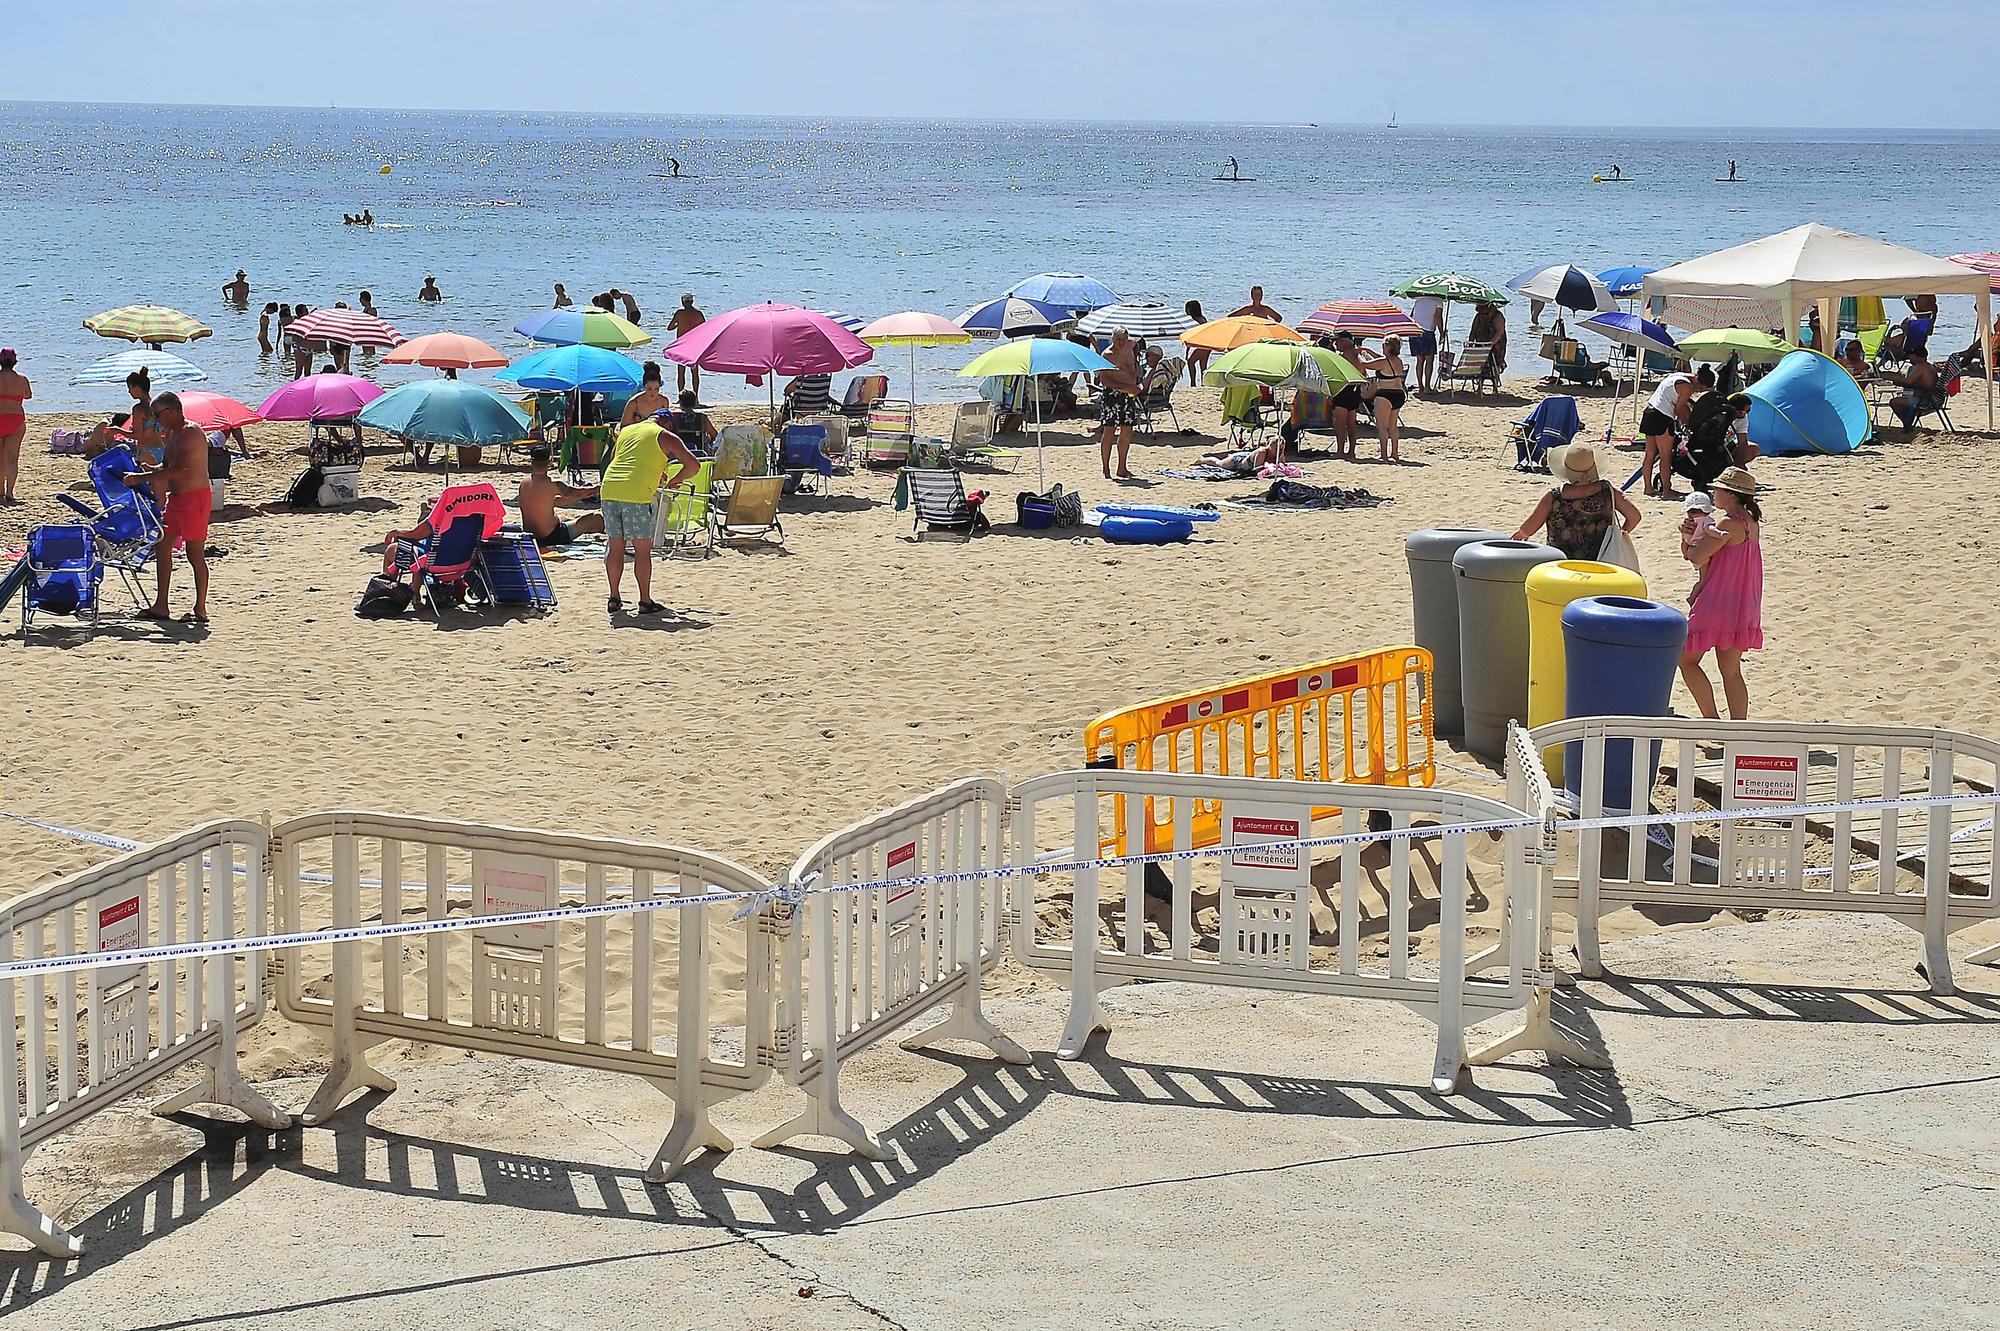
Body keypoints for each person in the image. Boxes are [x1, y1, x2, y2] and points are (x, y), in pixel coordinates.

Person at [1679, 467, 1763, 719]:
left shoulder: (1728, 523)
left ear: (1731, 494)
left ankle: (1711, 719)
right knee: (1731, 670)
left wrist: (1686, 537)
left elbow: (1695, 556)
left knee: (1686, 661)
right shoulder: (1751, 521)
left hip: (1717, 600)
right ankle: (1738, 728)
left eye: (1717, 489)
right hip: (1743, 602)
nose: (1713, 492)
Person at [122, 392, 213, 624]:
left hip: (194, 499)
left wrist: (141, 478)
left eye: (158, 415)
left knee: (195, 554)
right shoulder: (171, 433)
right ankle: (161, 605)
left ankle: (200, 608)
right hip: (177, 498)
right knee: (162, 546)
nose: (156, 419)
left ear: (171, 411)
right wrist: (153, 470)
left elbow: (183, 470)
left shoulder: (190, 433)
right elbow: (170, 464)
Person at [599, 411, 698, 616]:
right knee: (642, 551)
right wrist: (675, 480)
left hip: (609, 488)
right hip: (635, 494)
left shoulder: (626, 431)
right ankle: (644, 600)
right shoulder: (664, 435)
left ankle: (614, 597)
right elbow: (693, 465)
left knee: (615, 545)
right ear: (667, 423)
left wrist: (652, 469)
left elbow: (617, 458)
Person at [1511, 442, 1641, 560]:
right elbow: (1634, 517)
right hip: (1601, 560)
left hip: (1561, 562)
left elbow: (1529, 529)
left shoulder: (1554, 497)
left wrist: (1521, 533)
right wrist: (1618, 537)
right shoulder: (1608, 491)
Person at [518, 445, 604, 548]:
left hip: (532, 536)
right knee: (596, 518)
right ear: (550, 461)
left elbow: (551, 502)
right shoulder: (553, 484)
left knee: (563, 518)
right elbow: (577, 492)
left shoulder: (524, 483)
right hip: (552, 537)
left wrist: (580, 496)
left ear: (532, 462)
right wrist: (595, 489)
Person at [1679, 390, 1756, 488]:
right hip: (1708, 443)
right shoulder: (1719, 417)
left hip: (1724, 445)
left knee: (1753, 449)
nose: (1744, 415)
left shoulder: (1742, 419)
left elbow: (1743, 441)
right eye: (1742, 412)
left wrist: (1740, 463)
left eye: (1748, 412)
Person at [1638, 370, 1696, 498]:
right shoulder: (1687, 387)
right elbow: (1679, 409)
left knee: (1650, 454)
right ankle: (1667, 491)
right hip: (1662, 417)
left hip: (1649, 412)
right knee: (1666, 456)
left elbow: (1680, 403)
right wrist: (1688, 425)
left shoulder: (1676, 376)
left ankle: (1648, 488)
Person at [1094, 327, 1140, 479]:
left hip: (1129, 394)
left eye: (1123, 339)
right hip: (1113, 395)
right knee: (1109, 430)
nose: (1121, 342)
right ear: (1113, 339)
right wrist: (1126, 386)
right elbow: (1104, 380)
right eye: (1118, 339)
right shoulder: (1108, 355)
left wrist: (1135, 379)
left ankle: (1122, 468)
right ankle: (1106, 469)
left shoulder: (1132, 346)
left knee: (1127, 430)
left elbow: (1137, 350)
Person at [1358, 335, 1407, 461]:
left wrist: (1358, 354)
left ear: (1388, 346)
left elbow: (1365, 364)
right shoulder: (1398, 361)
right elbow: (1379, 359)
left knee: (1382, 426)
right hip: (1399, 394)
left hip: (1385, 394)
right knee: (1393, 426)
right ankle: (1395, 453)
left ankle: (1384, 455)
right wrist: (1367, 351)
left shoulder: (1384, 362)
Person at [1886, 348, 1946, 433]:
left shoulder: (1921, 367)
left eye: (1911, 356)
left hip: (1927, 400)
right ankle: (1908, 423)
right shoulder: (1928, 366)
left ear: (1917, 357)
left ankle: (1907, 424)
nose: (1909, 358)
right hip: (1932, 397)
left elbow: (1908, 382)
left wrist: (1897, 380)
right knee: (1904, 396)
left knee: (1894, 402)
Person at [1326, 330, 1366, 459]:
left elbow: (1336, 376)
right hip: (1355, 390)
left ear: (1343, 342)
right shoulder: (1358, 354)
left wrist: (1331, 393)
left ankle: (1340, 451)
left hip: (1344, 390)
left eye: (1336, 341)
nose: (1335, 344)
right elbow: (1363, 372)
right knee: (1351, 423)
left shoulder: (1343, 356)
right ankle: (1351, 451)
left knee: (1340, 423)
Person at [0, 349, 29, 503]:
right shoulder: (22, 379)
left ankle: (0, 490)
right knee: (12, 457)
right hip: (16, 418)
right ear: (15, 361)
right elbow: (28, 395)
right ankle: (10, 492)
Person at [1680, 491, 1715, 602]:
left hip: (1693, 552)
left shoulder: (1690, 523)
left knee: (1703, 579)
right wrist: (1720, 534)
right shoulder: (1706, 520)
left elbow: (1685, 541)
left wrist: (1685, 553)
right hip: (1703, 555)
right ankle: (1692, 598)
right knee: (1703, 580)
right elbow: (1710, 530)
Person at [668, 294, 706, 395]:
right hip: (694, 344)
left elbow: (669, 327)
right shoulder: (698, 313)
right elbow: (705, 328)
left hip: (682, 344)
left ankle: (681, 396)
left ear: (682, 302)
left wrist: (678, 324)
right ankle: (696, 397)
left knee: (681, 371)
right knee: (694, 371)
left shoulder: (680, 313)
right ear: (692, 302)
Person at [1409, 294, 1443, 394]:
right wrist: (1441, 332)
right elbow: (1438, 317)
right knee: (1429, 359)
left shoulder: (1419, 300)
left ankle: (1420, 386)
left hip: (1414, 331)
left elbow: (1411, 316)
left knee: (1420, 360)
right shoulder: (1438, 302)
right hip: (1427, 332)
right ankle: (1427, 386)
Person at [663, 390, 716, 454]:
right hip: (699, 453)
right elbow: (715, 435)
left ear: (680, 403)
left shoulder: (674, 417)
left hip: (677, 453)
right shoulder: (702, 418)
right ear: (694, 403)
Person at [620, 361, 673, 427]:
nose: (653, 393)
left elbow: (666, 425)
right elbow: (623, 427)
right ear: (644, 386)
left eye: (656, 389)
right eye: (649, 389)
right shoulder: (634, 402)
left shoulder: (663, 401)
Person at [1470, 301, 1507, 374]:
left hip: (1496, 344)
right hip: (1480, 341)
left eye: (1485, 313)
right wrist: (1471, 344)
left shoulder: (1498, 316)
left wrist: (1490, 344)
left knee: (1496, 360)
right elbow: (1473, 331)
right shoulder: (1478, 316)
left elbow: (1499, 332)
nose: (1483, 314)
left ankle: (1496, 374)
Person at [1183, 300, 1210, 385]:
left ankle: (1193, 383)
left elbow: (1191, 336)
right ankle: (1203, 383)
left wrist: (1187, 350)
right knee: (1203, 366)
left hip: (1203, 345)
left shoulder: (1194, 321)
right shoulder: (1202, 318)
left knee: (1191, 362)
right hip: (1208, 345)